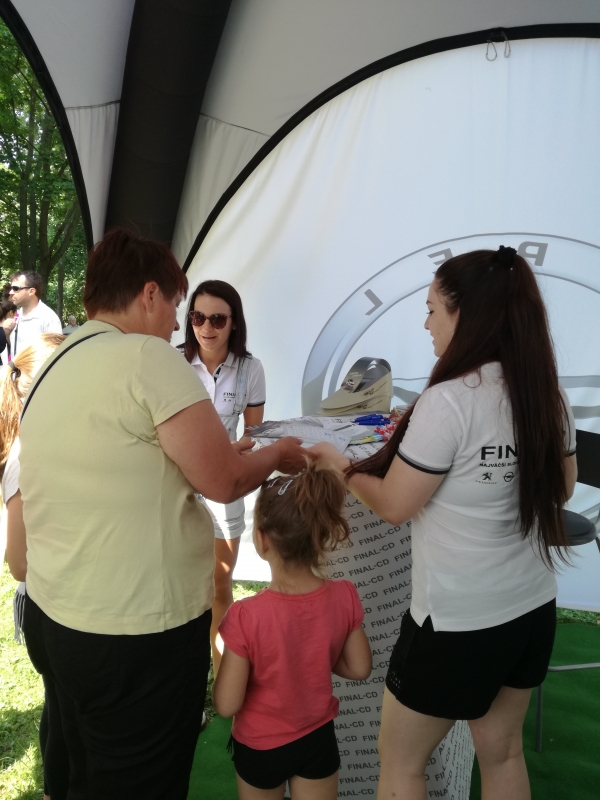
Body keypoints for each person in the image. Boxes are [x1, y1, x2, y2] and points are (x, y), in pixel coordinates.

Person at [16, 228, 305, 800]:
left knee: (80, 774)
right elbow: (223, 481)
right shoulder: (147, 356)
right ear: (149, 294)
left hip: (57, 618)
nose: (178, 324)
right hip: (134, 636)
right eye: (177, 305)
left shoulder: (55, 359)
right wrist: (277, 455)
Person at [312, 246, 577, 800]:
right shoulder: (547, 393)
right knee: (503, 753)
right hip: (530, 607)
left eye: (433, 309)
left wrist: (338, 465)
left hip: (455, 622)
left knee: (400, 763)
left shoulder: (450, 400)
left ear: (465, 314)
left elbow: (394, 505)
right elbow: (564, 488)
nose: (426, 322)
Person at [214, 460, 372, 800]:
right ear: (321, 535)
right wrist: (315, 654)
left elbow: (226, 704)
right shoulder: (344, 595)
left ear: (262, 539)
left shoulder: (245, 616)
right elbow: (360, 668)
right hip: (317, 739)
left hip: (260, 746)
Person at [183, 279, 266, 674]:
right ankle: (185, 672)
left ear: (234, 323)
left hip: (223, 486)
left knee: (220, 583)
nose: (207, 327)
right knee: (180, 583)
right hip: (177, 485)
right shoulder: (172, 362)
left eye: (218, 319)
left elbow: (255, 435)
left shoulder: (251, 368)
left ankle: (221, 678)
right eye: (198, 317)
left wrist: (226, 453)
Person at [1, 333, 68, 800]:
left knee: (65, 709)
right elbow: (18, 563)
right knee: (63, 711)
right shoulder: (26, 456)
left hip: (60, 603)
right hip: (49, 607)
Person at [7, 271, 62, 356]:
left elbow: (56, 355)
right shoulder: (17, 315)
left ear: (31, 291)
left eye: (15, 288)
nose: (10, 292)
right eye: (11, 288)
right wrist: (6, 332)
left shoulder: (49, 318)